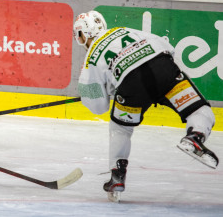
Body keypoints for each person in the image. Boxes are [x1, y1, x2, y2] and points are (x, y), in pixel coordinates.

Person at [73, 10, 219, 198]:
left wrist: (112, 90)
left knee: (120, 128)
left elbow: (98, 106)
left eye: (79, 34)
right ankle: (196, 137)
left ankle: (117, 175)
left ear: (83, 33)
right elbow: (166, 46)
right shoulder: (124, 30)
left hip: (132, 86)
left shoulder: (91, 57)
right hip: (164, 68)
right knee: (199, 109)